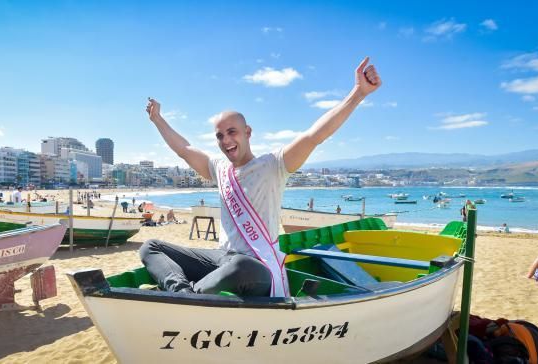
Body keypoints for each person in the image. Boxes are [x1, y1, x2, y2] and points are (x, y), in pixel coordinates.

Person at [139, 56, 381, 297]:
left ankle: (190, 295)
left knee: (240, 266)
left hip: (257, 267)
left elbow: (314, 136)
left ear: (248, 132)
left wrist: (358, 93)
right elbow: (184, 149)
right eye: (220, 136)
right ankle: (183, 294)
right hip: (222, 258)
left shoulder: (273, 165)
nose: (226, 140)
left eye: (231, 132)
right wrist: (158, 120)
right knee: (151, 247)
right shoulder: (219, 168)